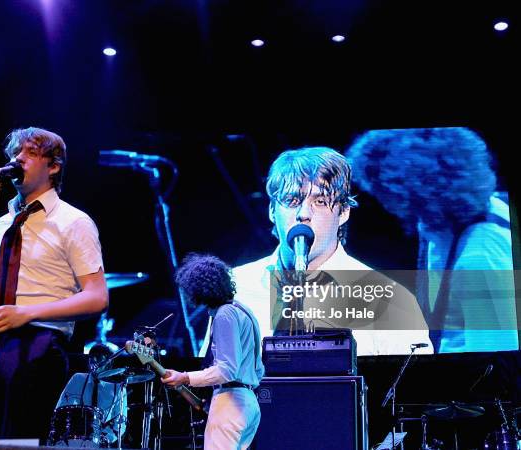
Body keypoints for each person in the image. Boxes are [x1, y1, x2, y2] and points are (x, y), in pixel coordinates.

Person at [0, 127, 108, 443]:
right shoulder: (4, 222)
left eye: (28, 153)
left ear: (53, 166)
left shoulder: (74, 222)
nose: (17, 159)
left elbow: (97, 298)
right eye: (14, 153)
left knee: (14, 442)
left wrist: (26, 314)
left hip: (39, 345)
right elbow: (7, 295)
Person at [228, 146, 433, 356]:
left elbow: (415, 387)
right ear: (272, 211)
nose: (304, 214)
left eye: (320, 202)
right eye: (292, 201)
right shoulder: (235, 286)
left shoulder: (391, 300)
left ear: (343, 212)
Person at [346, 127, 518, 353]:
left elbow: (495, 362)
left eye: (383, 193)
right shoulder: (447, 221)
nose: (385, 204)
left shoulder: (480, 257)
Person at [162, 254, 264, 450]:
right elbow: (258, 369)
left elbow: (227, 370)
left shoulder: (224, 315)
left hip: (231, 403)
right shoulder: (244, 310)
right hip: (249, 403)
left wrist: (184, 377)